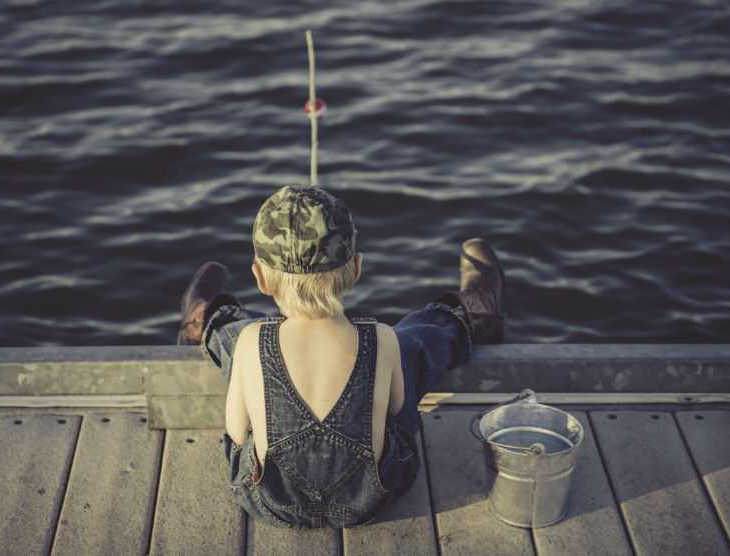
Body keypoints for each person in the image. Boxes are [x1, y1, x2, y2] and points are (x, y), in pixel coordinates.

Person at [176, 185, 505, 528]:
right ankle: (466, 315)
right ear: (357, 268)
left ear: (259, 277)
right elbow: (397, 409)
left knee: (240, 339)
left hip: (272, 501)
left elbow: (238, 433)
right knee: (407, 347)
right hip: (371, 499)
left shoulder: (251, 341)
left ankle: (209, 319)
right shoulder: (382, 337)